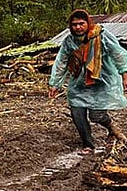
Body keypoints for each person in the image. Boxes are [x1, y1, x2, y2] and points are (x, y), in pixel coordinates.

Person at [47, 9, 127, 155]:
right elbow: (61, 62)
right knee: (77, 112)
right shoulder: (69, 41)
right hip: (79, 83)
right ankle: (88, 145)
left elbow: (118, 53)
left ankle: (112, 128)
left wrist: (124, 73)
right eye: (74, 24)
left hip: (102, 82)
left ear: (88, 23)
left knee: (96, 116)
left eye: (81, 23)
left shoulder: (101, 35)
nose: (78, 27)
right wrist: (55, 84)